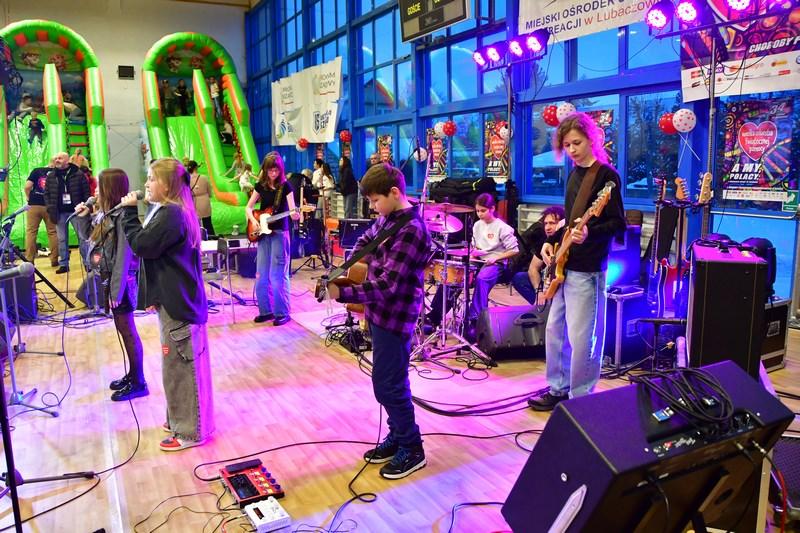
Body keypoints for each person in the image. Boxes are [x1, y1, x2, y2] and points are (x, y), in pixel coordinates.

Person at [326, 162, 431, 479]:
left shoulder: (412, 230)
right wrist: (350, 265)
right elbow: (366, 240)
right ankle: (397, 436)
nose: (373, 207)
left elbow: (387, 286)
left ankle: (412, 447)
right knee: (386, 382)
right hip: (379, 313)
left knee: (389, 386)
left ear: (394, 193)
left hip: (396, 316)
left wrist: (344, 293)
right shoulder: (389, 218)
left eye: (375, 200)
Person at [528, 112, 626, 411]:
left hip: (588, 269)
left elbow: (618, 224)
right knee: (555, 331)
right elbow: (570, 222)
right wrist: (552, 242)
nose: (572, 150)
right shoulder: (573, 175)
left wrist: (589, 233)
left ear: (591, 139)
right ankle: (558, 389)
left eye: (577, 143)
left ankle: (581, 399)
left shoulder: (606, 177)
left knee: (584, 338)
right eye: (567, 145)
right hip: (564, 266)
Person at [120, 158, 214, 450]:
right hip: (174, 300)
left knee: (180, 369)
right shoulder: (168, 211)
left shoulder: (172, 214)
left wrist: (128, 214)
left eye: (152, 178)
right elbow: (159, 258)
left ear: (167, 185)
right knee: (176, 366)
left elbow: (143, 246)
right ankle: (180, 420)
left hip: (180, 304)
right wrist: (152, 297)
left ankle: (189, 432)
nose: (146, 184)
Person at [74, 169, 146, 401]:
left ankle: (139, 382)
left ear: (110, 189)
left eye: (99, 186)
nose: (95, 190)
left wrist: (116, 290)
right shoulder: (105, 215)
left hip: (122, 282)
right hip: (112, 280)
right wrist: (83, 216)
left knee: (128, 330)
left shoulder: (123, 217)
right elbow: (89, 239)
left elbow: (124, 257)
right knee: (122, 328)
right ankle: (132, 375)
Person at [426, 193, 519, 333]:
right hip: (479, 260)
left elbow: (514, 250)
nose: (480, 214)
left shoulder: (503, 227)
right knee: (454, 275)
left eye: (483, 211)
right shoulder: (477, 225)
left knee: (482, 278)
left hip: (497, 264)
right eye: (478, 211)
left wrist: (496, 258)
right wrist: (472, 253)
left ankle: (474, 320)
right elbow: (475, 247)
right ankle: (435, 315)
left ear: (492, 208)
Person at [245, 152, 300, 326]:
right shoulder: (260, 186)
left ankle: (282, 312)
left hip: (279, 233)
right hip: (263, 234)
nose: (273, 174)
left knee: (278, 275)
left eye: (276, 170)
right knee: (261, 274)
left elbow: (293, 212)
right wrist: (254, 221)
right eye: (270, 171)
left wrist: (296, 215)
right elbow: (249, 208)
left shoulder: (286, 187)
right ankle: (265, 311)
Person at [44, 151, 90, 273]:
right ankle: (64, 264)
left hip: (77, 212)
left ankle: (87, 263)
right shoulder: (51, 175)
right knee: (62, 239)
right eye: (56, 158)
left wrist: (85, 206)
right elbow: (46, 193)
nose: (57, 160)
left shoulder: (78, 174)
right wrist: (50, 207)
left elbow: (86, 191)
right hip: (59, 212)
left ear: (67, 160)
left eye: (59, 158)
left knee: (82, 237)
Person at [511, 206, 565, 306]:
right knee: (520, 278)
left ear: (562, 224)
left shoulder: (566, 242)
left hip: (562, 281)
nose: (547, 227)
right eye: (546, 223)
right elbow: (533, 268)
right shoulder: (544, 242)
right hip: (546, 281)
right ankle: (540, 306)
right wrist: (538, 291)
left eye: (552, 223)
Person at [23, 159, 59, 267]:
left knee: (31, 232)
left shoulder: (36, 171)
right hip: (50, 206)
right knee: (52, 232)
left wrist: (28, 197)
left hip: (34, 204)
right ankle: (54, 260)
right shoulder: (58, 173)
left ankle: (29, 260)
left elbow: (27, 186)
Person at [187, 161, 215, 238]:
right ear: (196, 167)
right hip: (204, 200)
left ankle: (197, 239)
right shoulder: (204, 178)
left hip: (194, 202)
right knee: (208, 222)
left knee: (195, 223)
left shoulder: (187, 179)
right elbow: (209, 191)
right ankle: (212, 238)